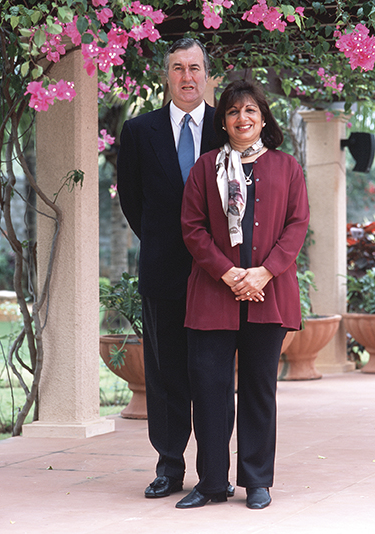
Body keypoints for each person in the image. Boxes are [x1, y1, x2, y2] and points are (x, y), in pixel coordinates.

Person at [177, 79, 310, 510]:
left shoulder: (287, 167)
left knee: (257, 389)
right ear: (224, 121)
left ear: (263, 118)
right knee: (210, 392)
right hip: (214, 296)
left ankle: (257, 481)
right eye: (234, 111)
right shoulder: (204, 169)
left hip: (267, 295)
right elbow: (192, 228)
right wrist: (230, 273)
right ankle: (212, 482)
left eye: (251, 110)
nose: (243, 118)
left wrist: (263, 273)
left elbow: (296, 226)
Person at [117, 38, 234, 500]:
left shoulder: (226, 132)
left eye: (196, 67)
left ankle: (214, 471)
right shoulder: (138, 132)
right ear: (165, 75)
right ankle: (169, 466)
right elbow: (132, 201)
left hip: (217, 276)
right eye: (178, 68)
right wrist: (166, 243)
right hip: (163, 271)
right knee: (165, 373)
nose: (188, 76)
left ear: (208, 74)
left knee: (214, 374)